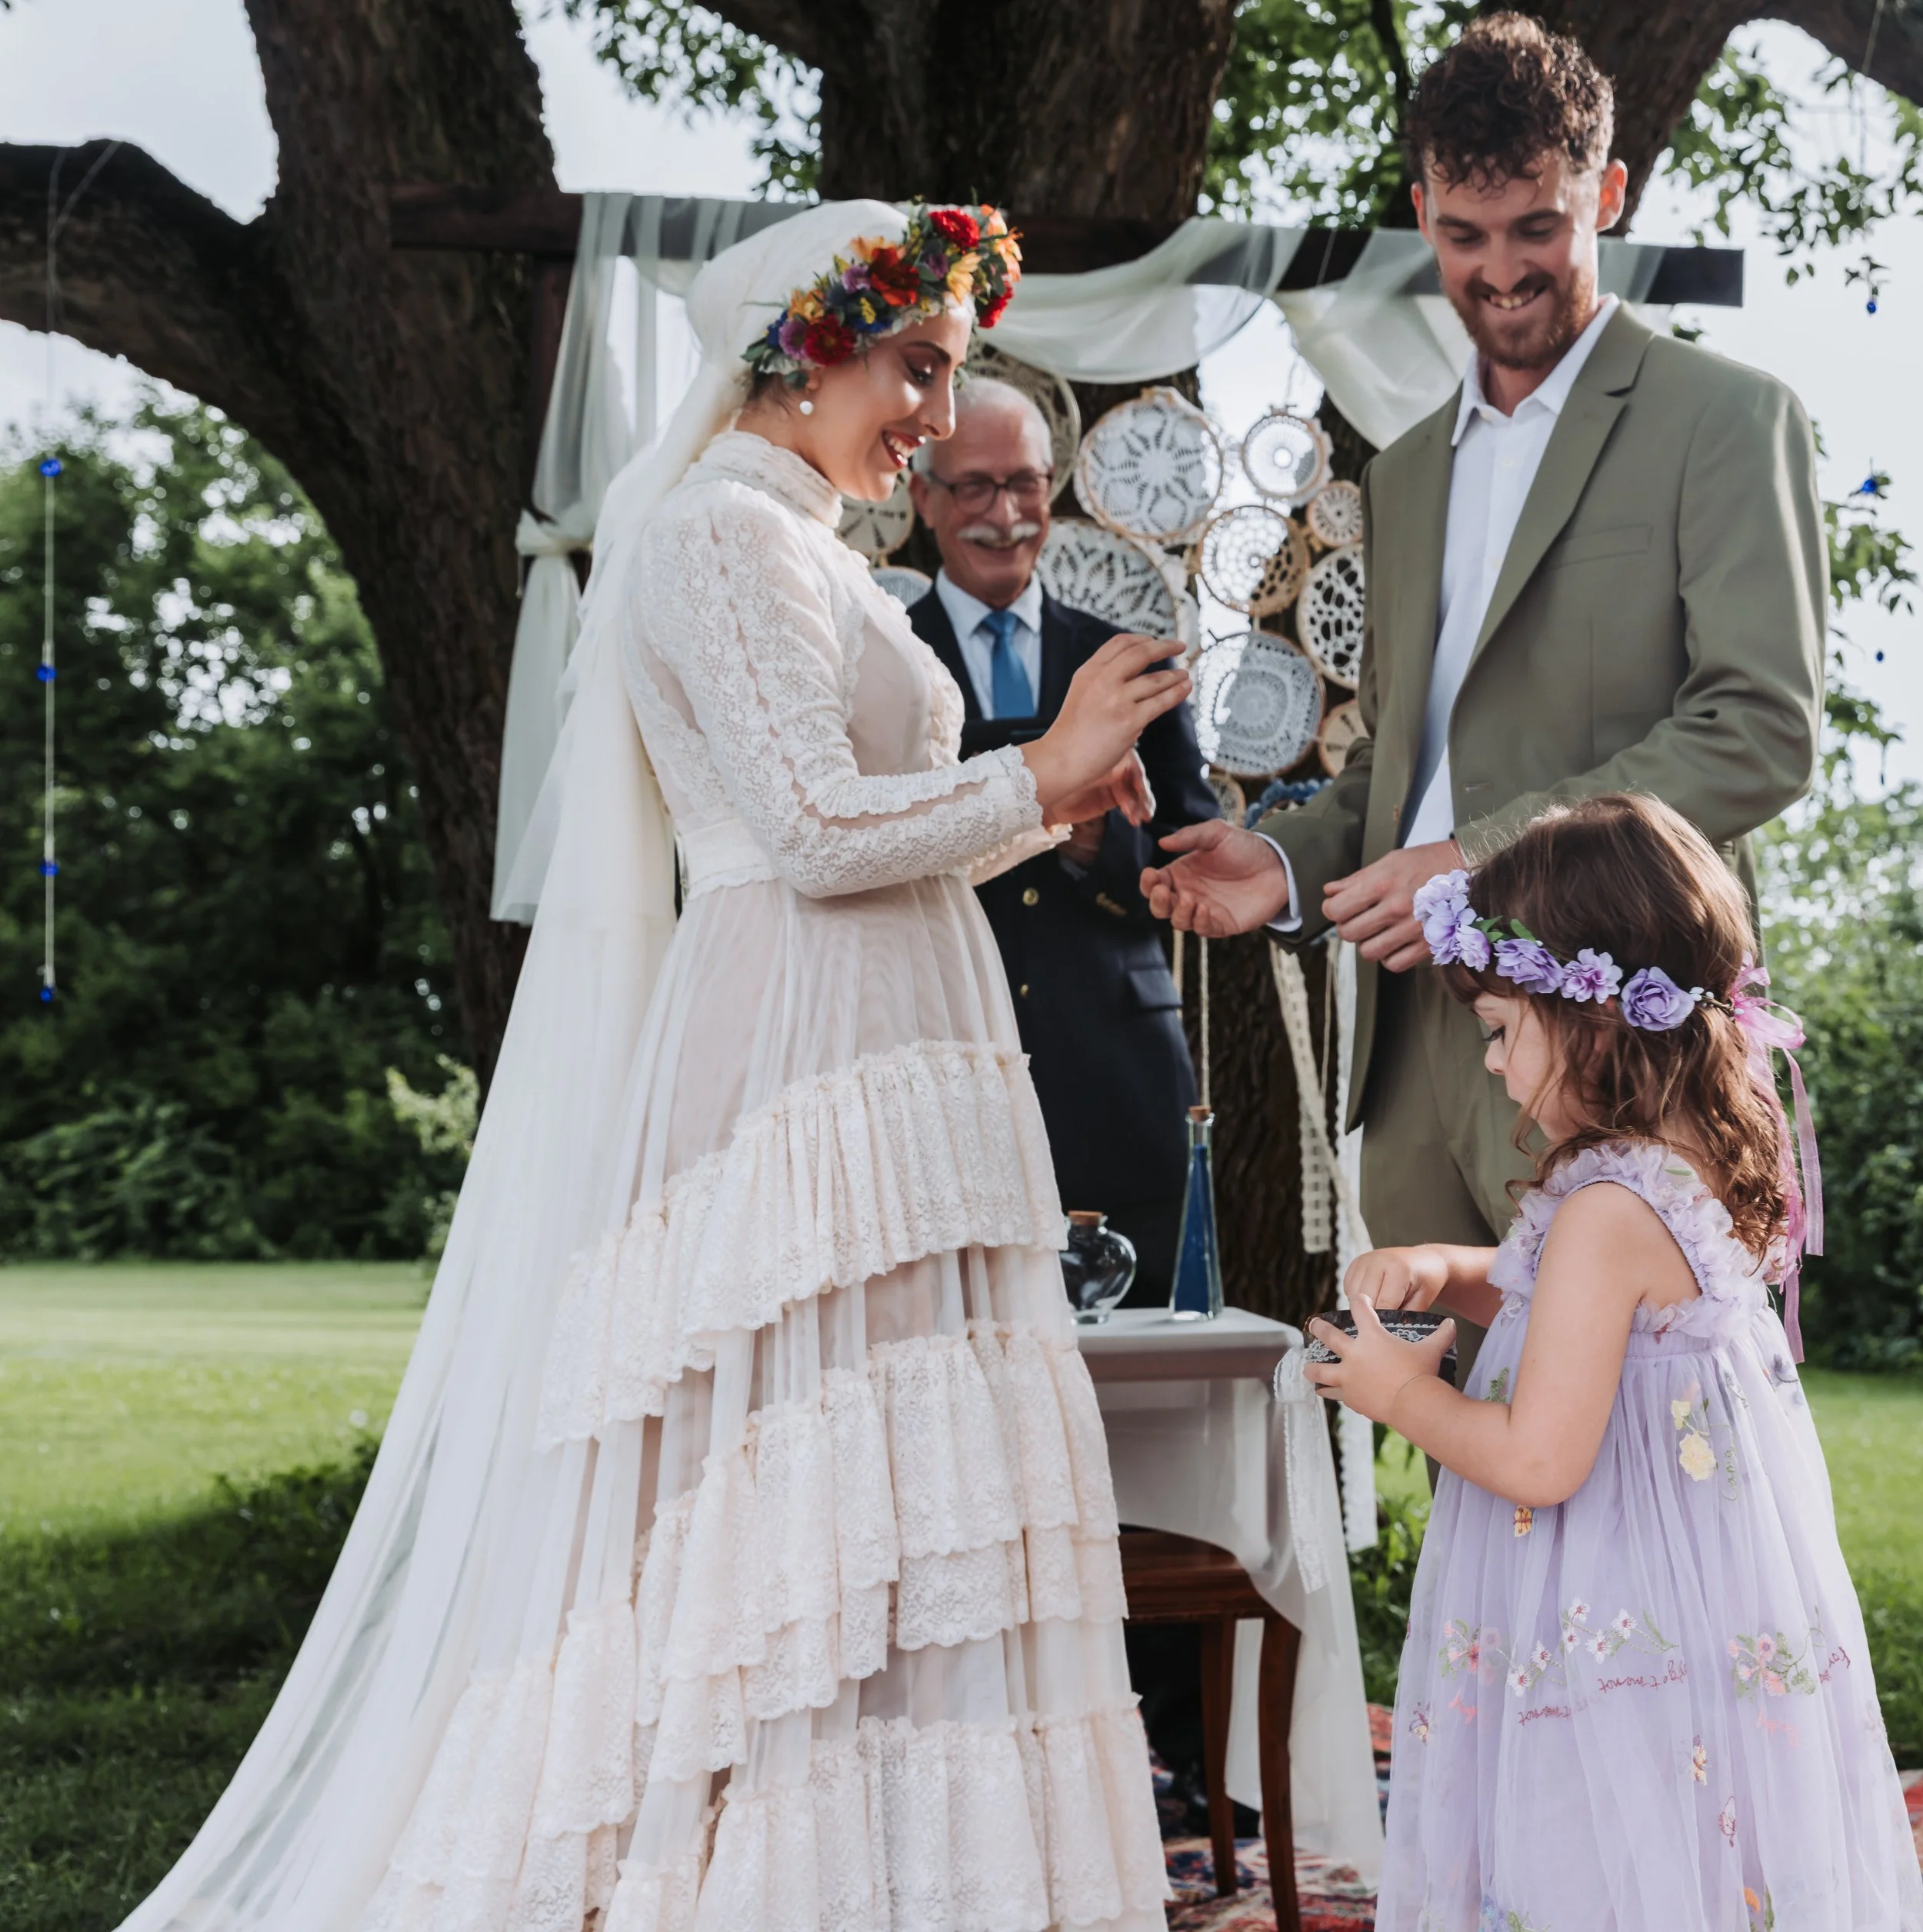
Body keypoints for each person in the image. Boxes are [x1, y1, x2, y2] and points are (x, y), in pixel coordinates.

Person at [118, 202, 1181, 1932]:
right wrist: (1030, 767)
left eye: (948, 372)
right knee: (793, 1487)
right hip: (795, 1045)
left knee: (899, 1495)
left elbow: (882, 833)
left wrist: (1051, 796)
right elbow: (807, 828)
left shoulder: (823, 553)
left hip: (894, 1031)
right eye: (915, 366)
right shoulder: (708, 536)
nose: (932, 410)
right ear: (801, 341)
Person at [1141, 12, 1825, 1396]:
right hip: (1410, 1063)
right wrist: (1278, 864)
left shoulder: (1725, 418)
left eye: (1538, 227)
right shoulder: (1399, 478)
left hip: (1615, 1046)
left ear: (1607, 197)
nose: (1502, 270)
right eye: (1466, 233)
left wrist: (1483, 859)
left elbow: (1761, 727)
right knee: (1463, 1473)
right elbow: (1400, 777)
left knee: (1638, 1460)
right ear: (1423, 216)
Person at [1305, 793, 1923, 1929]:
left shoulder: (1603, 1205)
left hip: (1601, 1589)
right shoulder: (1665, 1169)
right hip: (1690, 1583)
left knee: (1593, 1839)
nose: (1490, 1065)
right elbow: (1582, 1308)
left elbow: (1539, 1457)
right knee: (1679, 1831)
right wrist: (1451, 1269)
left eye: (1498, 1029)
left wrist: (1401, 1393)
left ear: (1592, 1015)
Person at [906, 378, 1218, 1303]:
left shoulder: (1131, 659)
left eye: (1025, 484)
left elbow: (1188, 852)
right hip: (945, 1062)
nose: (1004, 516)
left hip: (1116, 1074)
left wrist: (1093, 848)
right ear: (922, 495)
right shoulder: (885, 662)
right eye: (973, 487)